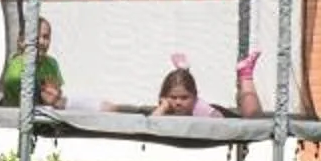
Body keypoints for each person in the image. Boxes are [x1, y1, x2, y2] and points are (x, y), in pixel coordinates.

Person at [113, 50, 266, 118]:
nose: (178, 102)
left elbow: (220, 122)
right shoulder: (165, 107)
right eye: (173, 97)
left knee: (253, 118)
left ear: (194, 97)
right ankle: (184, 69)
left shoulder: (203, 110)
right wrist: (163, 106)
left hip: (222, 114)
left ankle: (246, 75)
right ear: (164, 97)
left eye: (184, 98)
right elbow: (152, 125)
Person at [0, 18, 65, 107]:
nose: (41, 42)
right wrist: (48, 100)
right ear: (21, 42)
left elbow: (59, 97)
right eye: (36, 38)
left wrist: (57, 100)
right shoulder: (16, 67)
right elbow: (25, 102)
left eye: (46, 37)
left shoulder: (52, 63)